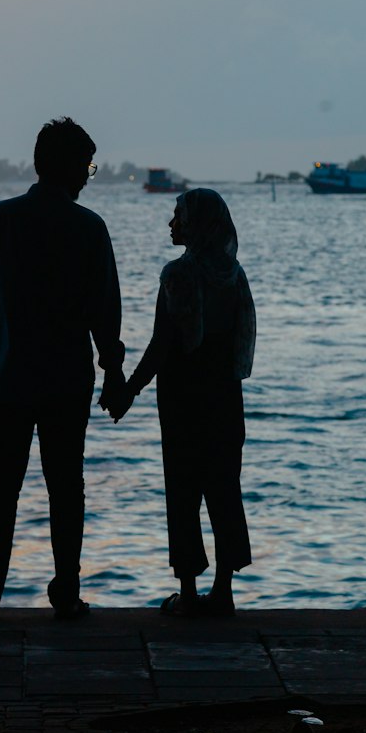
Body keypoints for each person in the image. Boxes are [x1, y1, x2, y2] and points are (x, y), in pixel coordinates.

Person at [0, 117, 126, 620]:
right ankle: (65, 591)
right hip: (68, 377)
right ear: (70, 168)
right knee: (66, 486)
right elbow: (104, 310)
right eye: (88, 166)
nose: (89, 175)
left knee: (0, 486)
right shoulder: (88, 227)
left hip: (8, 376)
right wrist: (113, 371)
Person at [108, 188, 255, 616]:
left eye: (179, 217)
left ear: (197, 224)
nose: (172, 224)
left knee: (184, 491)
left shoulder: (178, 274)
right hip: (226, 396)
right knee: (225, 489)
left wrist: (128, 390)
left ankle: (189, 595)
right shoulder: (235, 274)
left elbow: (162, 345)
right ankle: (223, 591)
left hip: (184, 397)